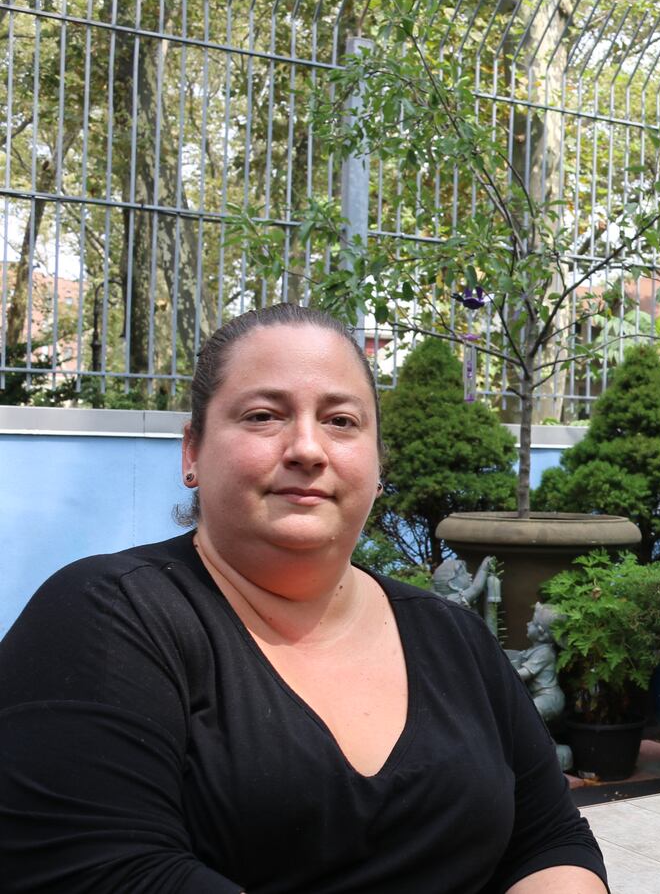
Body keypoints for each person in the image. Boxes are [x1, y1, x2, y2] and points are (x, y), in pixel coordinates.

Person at [0, 304, 606, 893]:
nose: (308, 449)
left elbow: (549, 839)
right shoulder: (107, 617)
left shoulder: (455, 638)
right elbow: (111, 869)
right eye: (264, 415)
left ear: (375, 463)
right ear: (192, 451)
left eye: (342, 421)